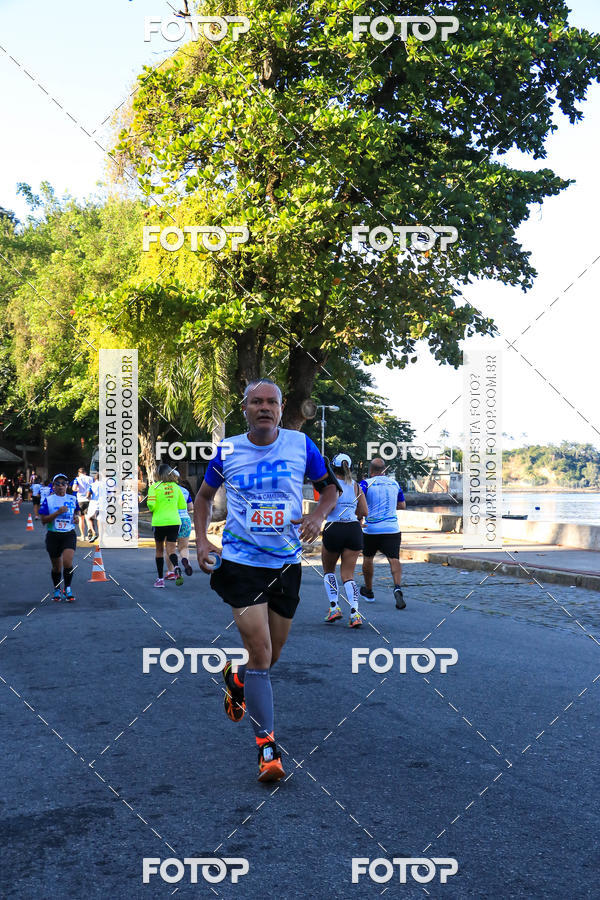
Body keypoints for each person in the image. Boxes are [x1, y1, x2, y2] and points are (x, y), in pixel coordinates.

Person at [194, 378, 338, 783]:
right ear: (244, 409)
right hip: (240, 563)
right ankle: (267, 748)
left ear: (280, 407)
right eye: (256, 401)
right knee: (260, 653)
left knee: (270, 658)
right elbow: (203, 498)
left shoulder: (301, 445)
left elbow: (330, 490)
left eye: (270, 402)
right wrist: (202, 539)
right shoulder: (228, 450)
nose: (264, 407)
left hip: (287, 563)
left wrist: (317, 516)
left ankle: (235, 677)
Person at [322, 453, 368, 628]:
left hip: (334, 528)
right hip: (353, 530)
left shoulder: (331, 485)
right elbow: (364, 511)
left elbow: (328, 507)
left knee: (329, 570)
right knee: (348, 575)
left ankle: (334, 607)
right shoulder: (356, 487)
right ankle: (355, 613)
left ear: (333, 468)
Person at [359, 457, 406, 609]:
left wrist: (359, 518)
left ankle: (369, 590)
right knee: (394, 559)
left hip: (371, 529)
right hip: (392, 528)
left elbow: (359, 504)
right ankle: (397, 587)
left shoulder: (365, 484)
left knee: (368, 558)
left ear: (371, 470)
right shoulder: (395, 484)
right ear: (384, 470)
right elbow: (402, 505)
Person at [39, 473, 80, 602]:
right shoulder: (49, 500)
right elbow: (43, 520)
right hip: (53, 535)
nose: (61, 486)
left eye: (64, 483)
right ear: (53, 486)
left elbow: (77, 512)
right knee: (57, 567)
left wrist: (76, 517)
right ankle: (57, 589)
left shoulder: (72, 498)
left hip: (69, 534)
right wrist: (57, 513)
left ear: (67, 486)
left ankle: (67, 588)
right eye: (58, 483)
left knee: (67, 562)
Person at [147, 463, 187, 588]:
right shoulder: (176, 488)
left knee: (159, 550)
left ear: (158, 474)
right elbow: (183, 506)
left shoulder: (154, 487)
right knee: (171, 550)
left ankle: (160, 580)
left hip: (159, 522)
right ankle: (175, 567)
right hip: (174, 522)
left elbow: (151, 506)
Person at [165, 475, 194, 580]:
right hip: (185, 520)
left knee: (170, 547)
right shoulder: (185, 491)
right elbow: (190, 507)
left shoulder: (165, 490)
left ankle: (171, 572)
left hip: (171, 520)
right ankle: (186, 561)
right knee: (184, 547)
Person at [72, 467, 93, 540]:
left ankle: (83, 536)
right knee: (88, 518)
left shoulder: (77, 479)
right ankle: (90, 535)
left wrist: (77, 489)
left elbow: (74, 488)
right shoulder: (90, 478)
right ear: (85, 472)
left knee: (81, 519)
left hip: (80, 500)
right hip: (89, 500)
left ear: (79, 473)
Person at [86, 472, 101, 543]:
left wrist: (89, 498)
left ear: (95, 478)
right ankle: (101, 536)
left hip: (94, 504)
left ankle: (94, 532)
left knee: (89, 518)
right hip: (103, 505)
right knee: (99, 520)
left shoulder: (92, 485)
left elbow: (87, 495)